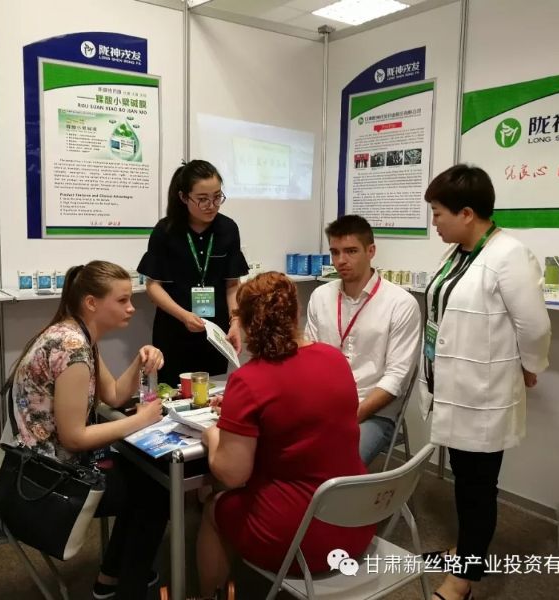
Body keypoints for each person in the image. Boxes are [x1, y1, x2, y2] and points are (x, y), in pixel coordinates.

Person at [195, 272, 375, 599]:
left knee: (212, 506)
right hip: (357, 521)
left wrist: (213, 435)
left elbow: (233, 475)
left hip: (300, 540)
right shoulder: (334, 359)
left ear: (245, 323)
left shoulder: (248, 380)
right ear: (296, 313)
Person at [418, 165, 551, 600]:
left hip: (483, 391)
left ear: (467, 213)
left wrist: (531, 365)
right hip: (454, 385)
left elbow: (533, 326)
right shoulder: (459, 252)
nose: (434, 222)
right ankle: (465, 550)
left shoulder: (509, 255)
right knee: (465, 479)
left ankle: (463, 581)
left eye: (438, 213)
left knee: (478, 487)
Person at [4, 260, 169, 600]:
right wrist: (140, 420)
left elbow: (114, 395)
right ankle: (128, 586)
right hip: (48, 480)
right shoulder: (72, 348)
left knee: (147, 480)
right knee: (155, 491)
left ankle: (112, 577)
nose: (131, 307)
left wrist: (140, 361)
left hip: (42, 464)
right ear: (92, 303)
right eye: (122, 300)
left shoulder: (78, 335)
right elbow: (74, 437)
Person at [305, 215, 421, 465]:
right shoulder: (320, 296)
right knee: (275, 447)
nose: (341, 260)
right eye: (335, 252)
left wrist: (349, 417)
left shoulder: (400, 304)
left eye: (351, 251)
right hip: (323, 406)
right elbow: (308, 359)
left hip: (372, 412)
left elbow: (396, 380)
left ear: (371, 251)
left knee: (335, 465)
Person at [138, 160, 249, 386]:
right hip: (174, 331)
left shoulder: (228, 229)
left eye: (217, 197)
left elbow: (232, 285)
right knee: (173, 393)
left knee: (212, 392)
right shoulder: (165, 231)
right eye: (202, 199)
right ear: (183, 197)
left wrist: (235, 322)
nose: (211, 205)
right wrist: (183, 315)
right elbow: (153, 286)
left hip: (215, 333)